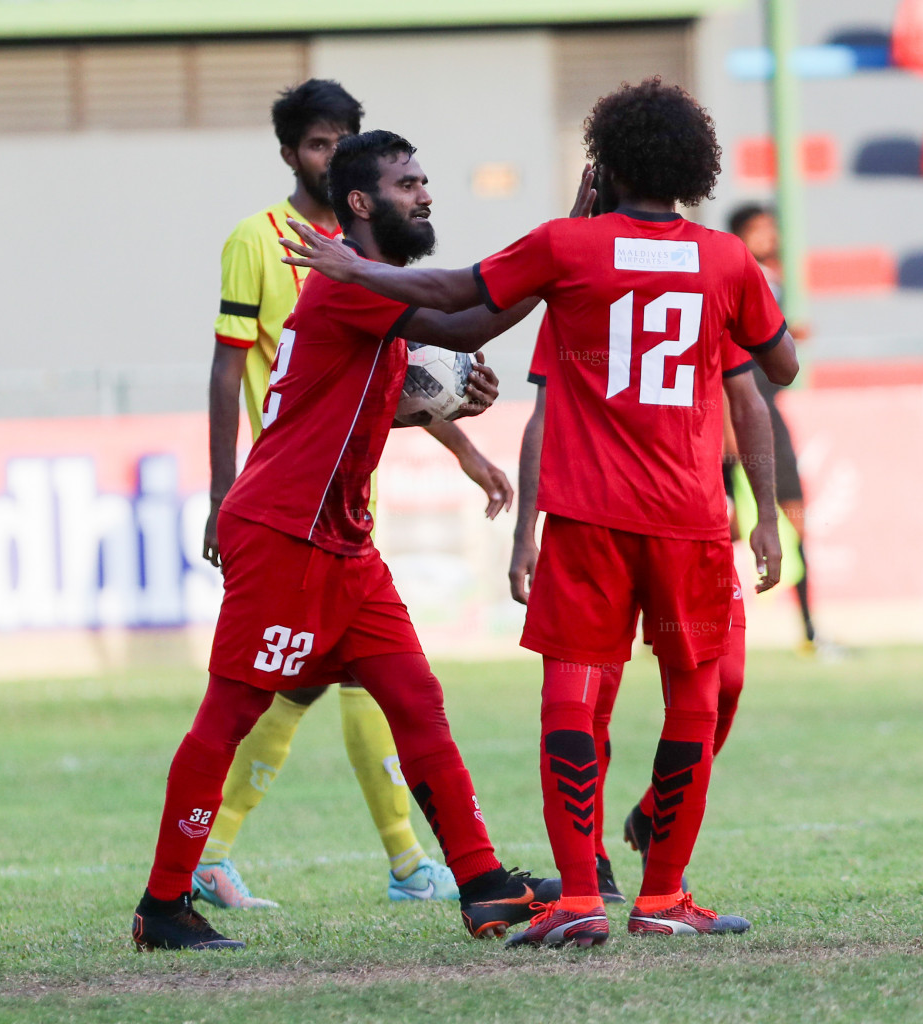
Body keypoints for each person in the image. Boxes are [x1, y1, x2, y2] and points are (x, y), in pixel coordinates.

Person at [278, 78, 799, 948]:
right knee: (694, 704)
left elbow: (454, 295)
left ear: (606, 161)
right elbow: (776, 368)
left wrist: (353, 265)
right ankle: (665, 898)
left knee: (571, 693)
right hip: (689, 513)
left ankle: (581, 899)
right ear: (694, 168)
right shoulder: (727, 261)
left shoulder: (568, 248)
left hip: (591, 515)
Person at [131, 129, 550, 951]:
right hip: (287, 532)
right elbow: (468, 322)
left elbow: (365, 400)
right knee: (232, 713)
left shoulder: (367, 288)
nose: (426, 195)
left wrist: (446, 415)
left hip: (342, 537)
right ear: (361, 203)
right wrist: (559, 258)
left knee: (415, 701)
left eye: (427, 180)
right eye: (408, 183)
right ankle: (163, 905)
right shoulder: (348, 279)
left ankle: (482, 885)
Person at [200, 79, 514, 910]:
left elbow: (388, 376)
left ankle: (426, 867)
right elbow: (232, 367)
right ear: (292, 156)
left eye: (345, 139)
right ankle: (407, 862)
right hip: (284, 500)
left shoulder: (370, 257)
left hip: (341, 492)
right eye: (316, 144)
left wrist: (461, 438)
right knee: (297, 690)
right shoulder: (264, 244)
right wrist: (221, 489)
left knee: (345, 685)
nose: (331, 154)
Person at [511, 323, 773, 906]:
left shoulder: (707, 277)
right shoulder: (576, 289)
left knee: (723, 685)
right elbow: (544, 415)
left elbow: (763, 381)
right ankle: (592, 867)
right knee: (589, 697)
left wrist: (766, 512)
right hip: (598, 521)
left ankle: (654, 816)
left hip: (690, 521)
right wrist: (525, 529)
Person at [726, 203, 819, 651]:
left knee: (796, 515)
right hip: (735, 413)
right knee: (718, 526)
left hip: (766, 412)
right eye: (758, 229)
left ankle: (809, 630)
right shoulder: (737, 277)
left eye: (771, 228)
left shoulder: (770, 279)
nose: (769, 236)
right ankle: (676, 628)